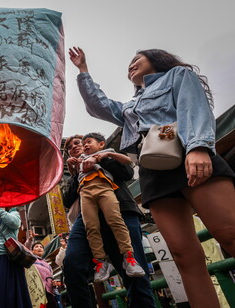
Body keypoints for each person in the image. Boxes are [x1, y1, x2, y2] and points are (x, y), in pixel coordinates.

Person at [69, 46, 235, 308]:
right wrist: (83, 70)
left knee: (229, 232)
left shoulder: (177, 75)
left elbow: (194, 107)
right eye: (129, 63)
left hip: (187, 154)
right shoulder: (130, 106)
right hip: (152, 169)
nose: (131, 65)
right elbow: (98, 105)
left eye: (137, 59)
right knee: (182, 254)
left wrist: (199, 147)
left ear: (157, 59)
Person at [62, 134, 155, 308]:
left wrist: (100, 158)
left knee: (134, 274)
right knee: (72, 263)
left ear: (95, 145)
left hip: (120, 210)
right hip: (87, 218)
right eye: (70, 147)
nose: (75, 146)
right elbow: (67, 200)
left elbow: (126, 172)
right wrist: (76, 173)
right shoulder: (76, 170)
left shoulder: (106, 155)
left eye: (80, 143)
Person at [76, 132, 145, 282]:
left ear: (101, 144)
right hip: (85, 191)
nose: (85, 145)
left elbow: (127, 161)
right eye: (84, 144)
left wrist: (105, 155)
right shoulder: (81, 159)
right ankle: (100, 261)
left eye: (89, 142)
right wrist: (71, 163)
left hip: (105, 187)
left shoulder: (108, 154)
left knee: (115, 219)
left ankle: (129, 257)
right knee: (91, 226)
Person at [31, 242, 57, 308]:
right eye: (36, 246)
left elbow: (51, 277)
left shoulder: (48, 265)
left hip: (49, 292)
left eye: (41, 247)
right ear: (32, 251)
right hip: (36, 291)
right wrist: (30, 240)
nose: (39, 248)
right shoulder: (30, 260)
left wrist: (54, 284)